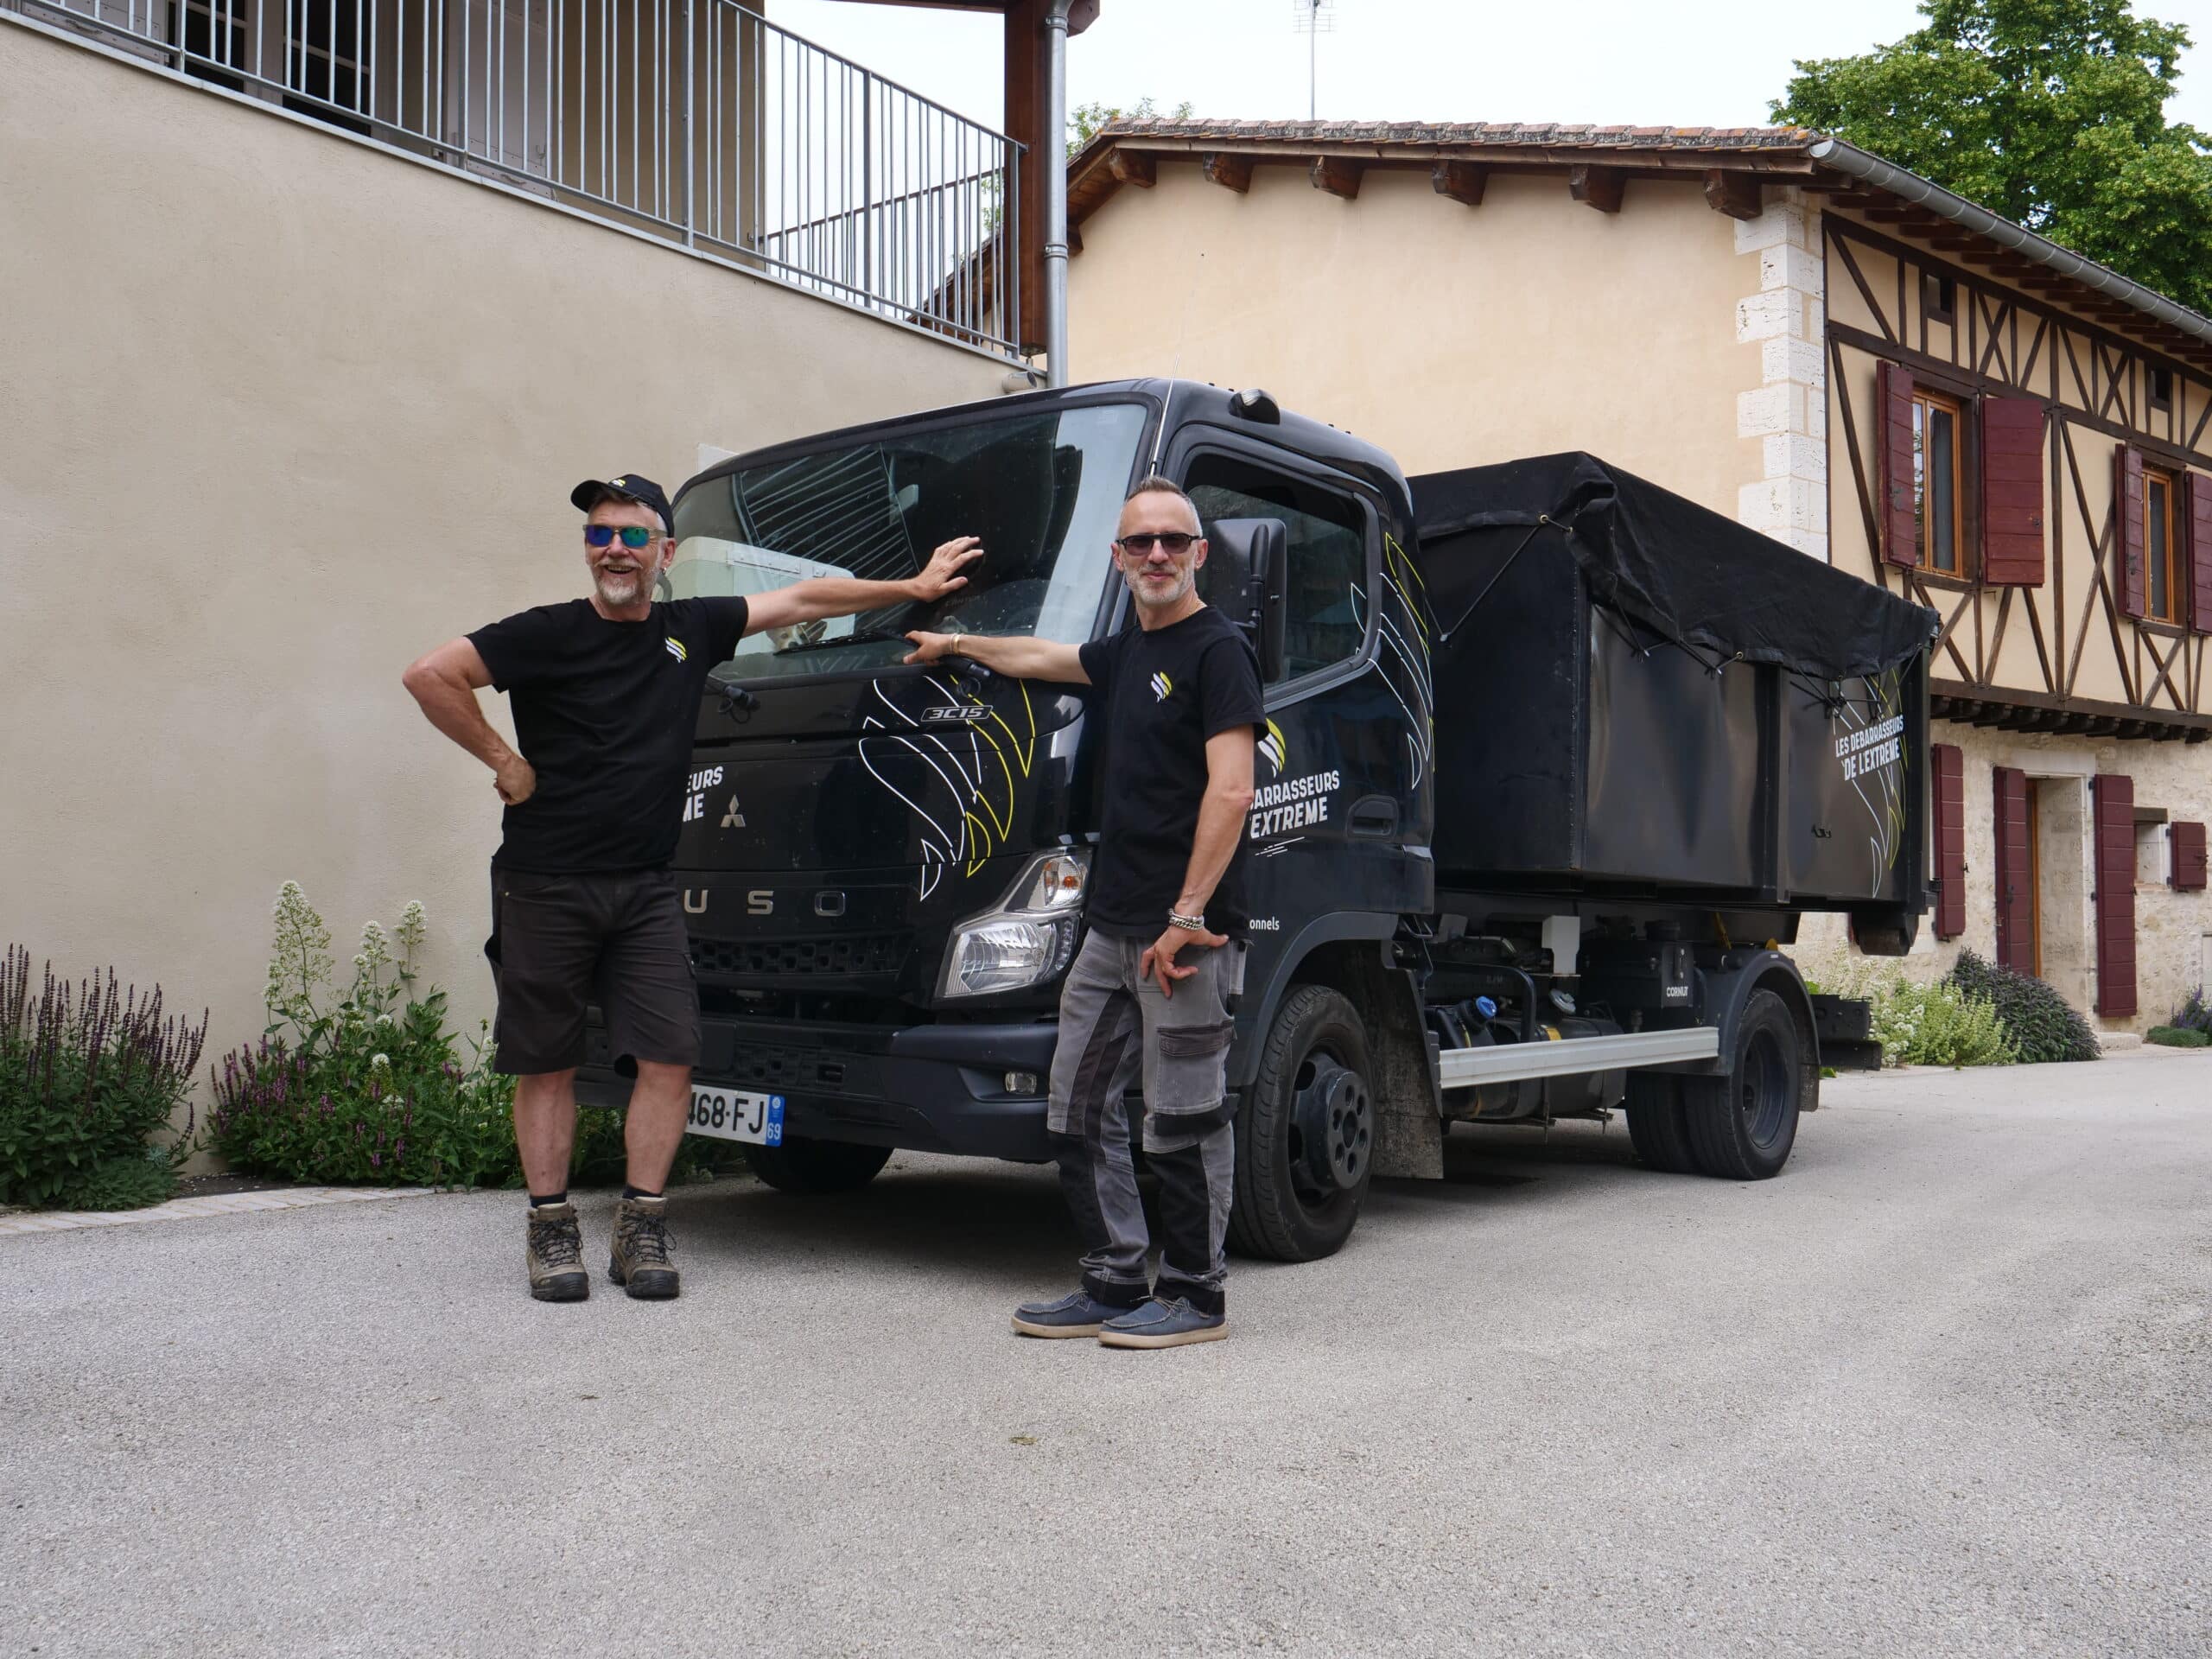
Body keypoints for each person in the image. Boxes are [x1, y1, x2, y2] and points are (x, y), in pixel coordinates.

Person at [403, 474, 981, 1302]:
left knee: (671, 1055)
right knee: (550, 1062)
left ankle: (641, 1225)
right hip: (547, 884)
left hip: (644, 889)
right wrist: (506, 763)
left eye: (633, 537)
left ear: (664, 553)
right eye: (600, 535)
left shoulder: (691, 628)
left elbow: (804, 600)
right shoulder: (544, 634)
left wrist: (914, 588)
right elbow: (430, 674)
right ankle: (551, 1230)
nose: (614, 549)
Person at [904, 475, 1261, 1349]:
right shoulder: (1124, 652)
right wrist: (956, 643)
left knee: (1181, 1116)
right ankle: (1111, 1279)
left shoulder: (1219, 651)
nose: (1157, 555)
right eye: (1140, 542)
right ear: (1118, 555)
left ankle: (1194, 1294)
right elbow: (1042, 658)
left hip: (1187, 935)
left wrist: (1186, 913)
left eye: (1173, 541)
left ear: (1199, 553)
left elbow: (1234, 790)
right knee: (1075, 1107)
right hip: (1111, 925)